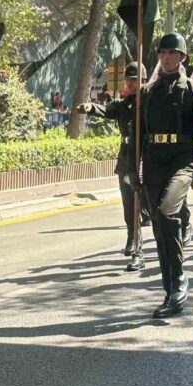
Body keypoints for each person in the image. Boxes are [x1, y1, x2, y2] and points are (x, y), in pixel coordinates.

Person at [132, 33, 193, 318]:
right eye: (162, 53)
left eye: (172, 53)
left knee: (166, 212)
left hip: (182, 160)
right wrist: (136, 170)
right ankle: (170, 287)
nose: (166, 58)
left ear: (182, 57)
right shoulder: (147, 92)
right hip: (155, 161)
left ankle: (180, 278)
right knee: (159, 225)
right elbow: (139, 135)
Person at [76, 62, 150, 271]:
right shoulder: (124, 104)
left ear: (143, 81)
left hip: (147, 158)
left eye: (135, 79)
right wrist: (91, 107)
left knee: (150, 208)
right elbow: (108, 110)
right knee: (130, 205)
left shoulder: (151, 101)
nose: (131, 82)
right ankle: (136, 246)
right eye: (129, 79)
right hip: (127, 161)